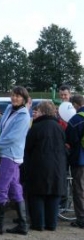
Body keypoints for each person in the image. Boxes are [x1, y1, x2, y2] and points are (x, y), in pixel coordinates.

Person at [0, 86, 31, 235]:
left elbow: (13, 138)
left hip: (11, 155)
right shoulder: (8, 109)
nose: (15, 98)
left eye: (18, 96)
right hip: (5, 152)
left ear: (24, 99)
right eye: (13, 95)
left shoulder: (24, 115)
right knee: (14, 187)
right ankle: (22, 225)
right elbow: (2, 130)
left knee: (1, 188)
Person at [24, 101, 67, 231]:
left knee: (37, 195)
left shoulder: (36, 127)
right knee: (54, 194)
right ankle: (51, 224)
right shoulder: (59, 127)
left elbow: (28, 147)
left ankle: (38, 224)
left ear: (42, 111)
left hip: (39, 165)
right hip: (58, 166)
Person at [65, 94, 84, 229]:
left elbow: (69, 140)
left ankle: (82, 219)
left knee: (79, 189)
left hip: (80, 159)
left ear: (75, 105)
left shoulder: (75, 120)